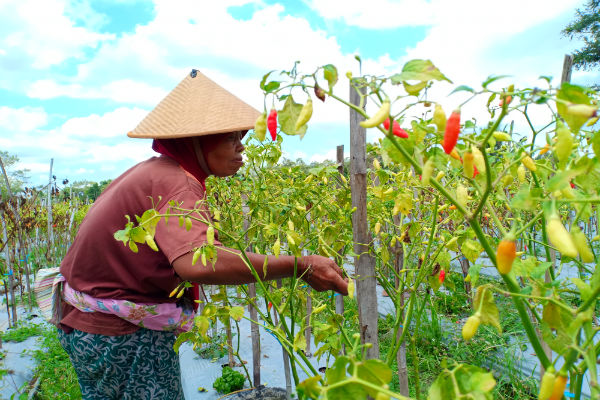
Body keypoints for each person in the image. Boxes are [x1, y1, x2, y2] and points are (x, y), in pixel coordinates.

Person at [56, 69, 348, 399]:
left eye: (242, 138)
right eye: (229, 139)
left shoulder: (160, 172)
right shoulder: (175, 182)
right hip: (118, 334)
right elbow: (197, 263)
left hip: (98, 326)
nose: (241, 149)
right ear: (196, 140)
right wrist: (300, 264)